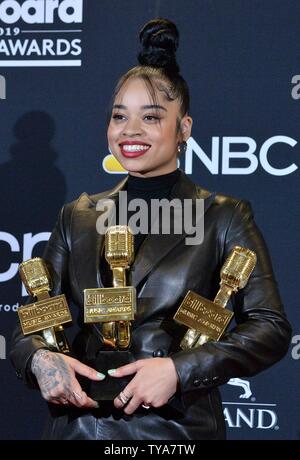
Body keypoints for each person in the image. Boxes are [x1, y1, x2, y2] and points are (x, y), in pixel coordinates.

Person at [10, 18, 291, 440]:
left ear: (184, 129)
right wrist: (38, 360)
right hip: (80, 428)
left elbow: (269, 327)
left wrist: (179, 370)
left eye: (152, 117)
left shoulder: (223, 216)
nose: (131, 130)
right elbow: (32, 321)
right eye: (120, 115)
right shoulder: (78, 215)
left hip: (177, 430)